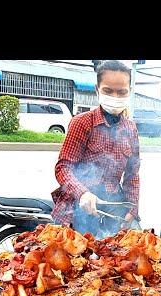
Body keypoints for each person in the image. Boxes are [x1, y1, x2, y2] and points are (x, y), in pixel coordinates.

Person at [51, 60, 141, 238]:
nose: (115, 97)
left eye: (121, 92)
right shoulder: (82, 123)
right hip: (78, 208)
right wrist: (83, 193)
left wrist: (133, 207)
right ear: (97, 90)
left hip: (113, 207)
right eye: (108, 91)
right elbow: (63, 168)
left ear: (129, 92)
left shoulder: (130, 129)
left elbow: (133, 175)